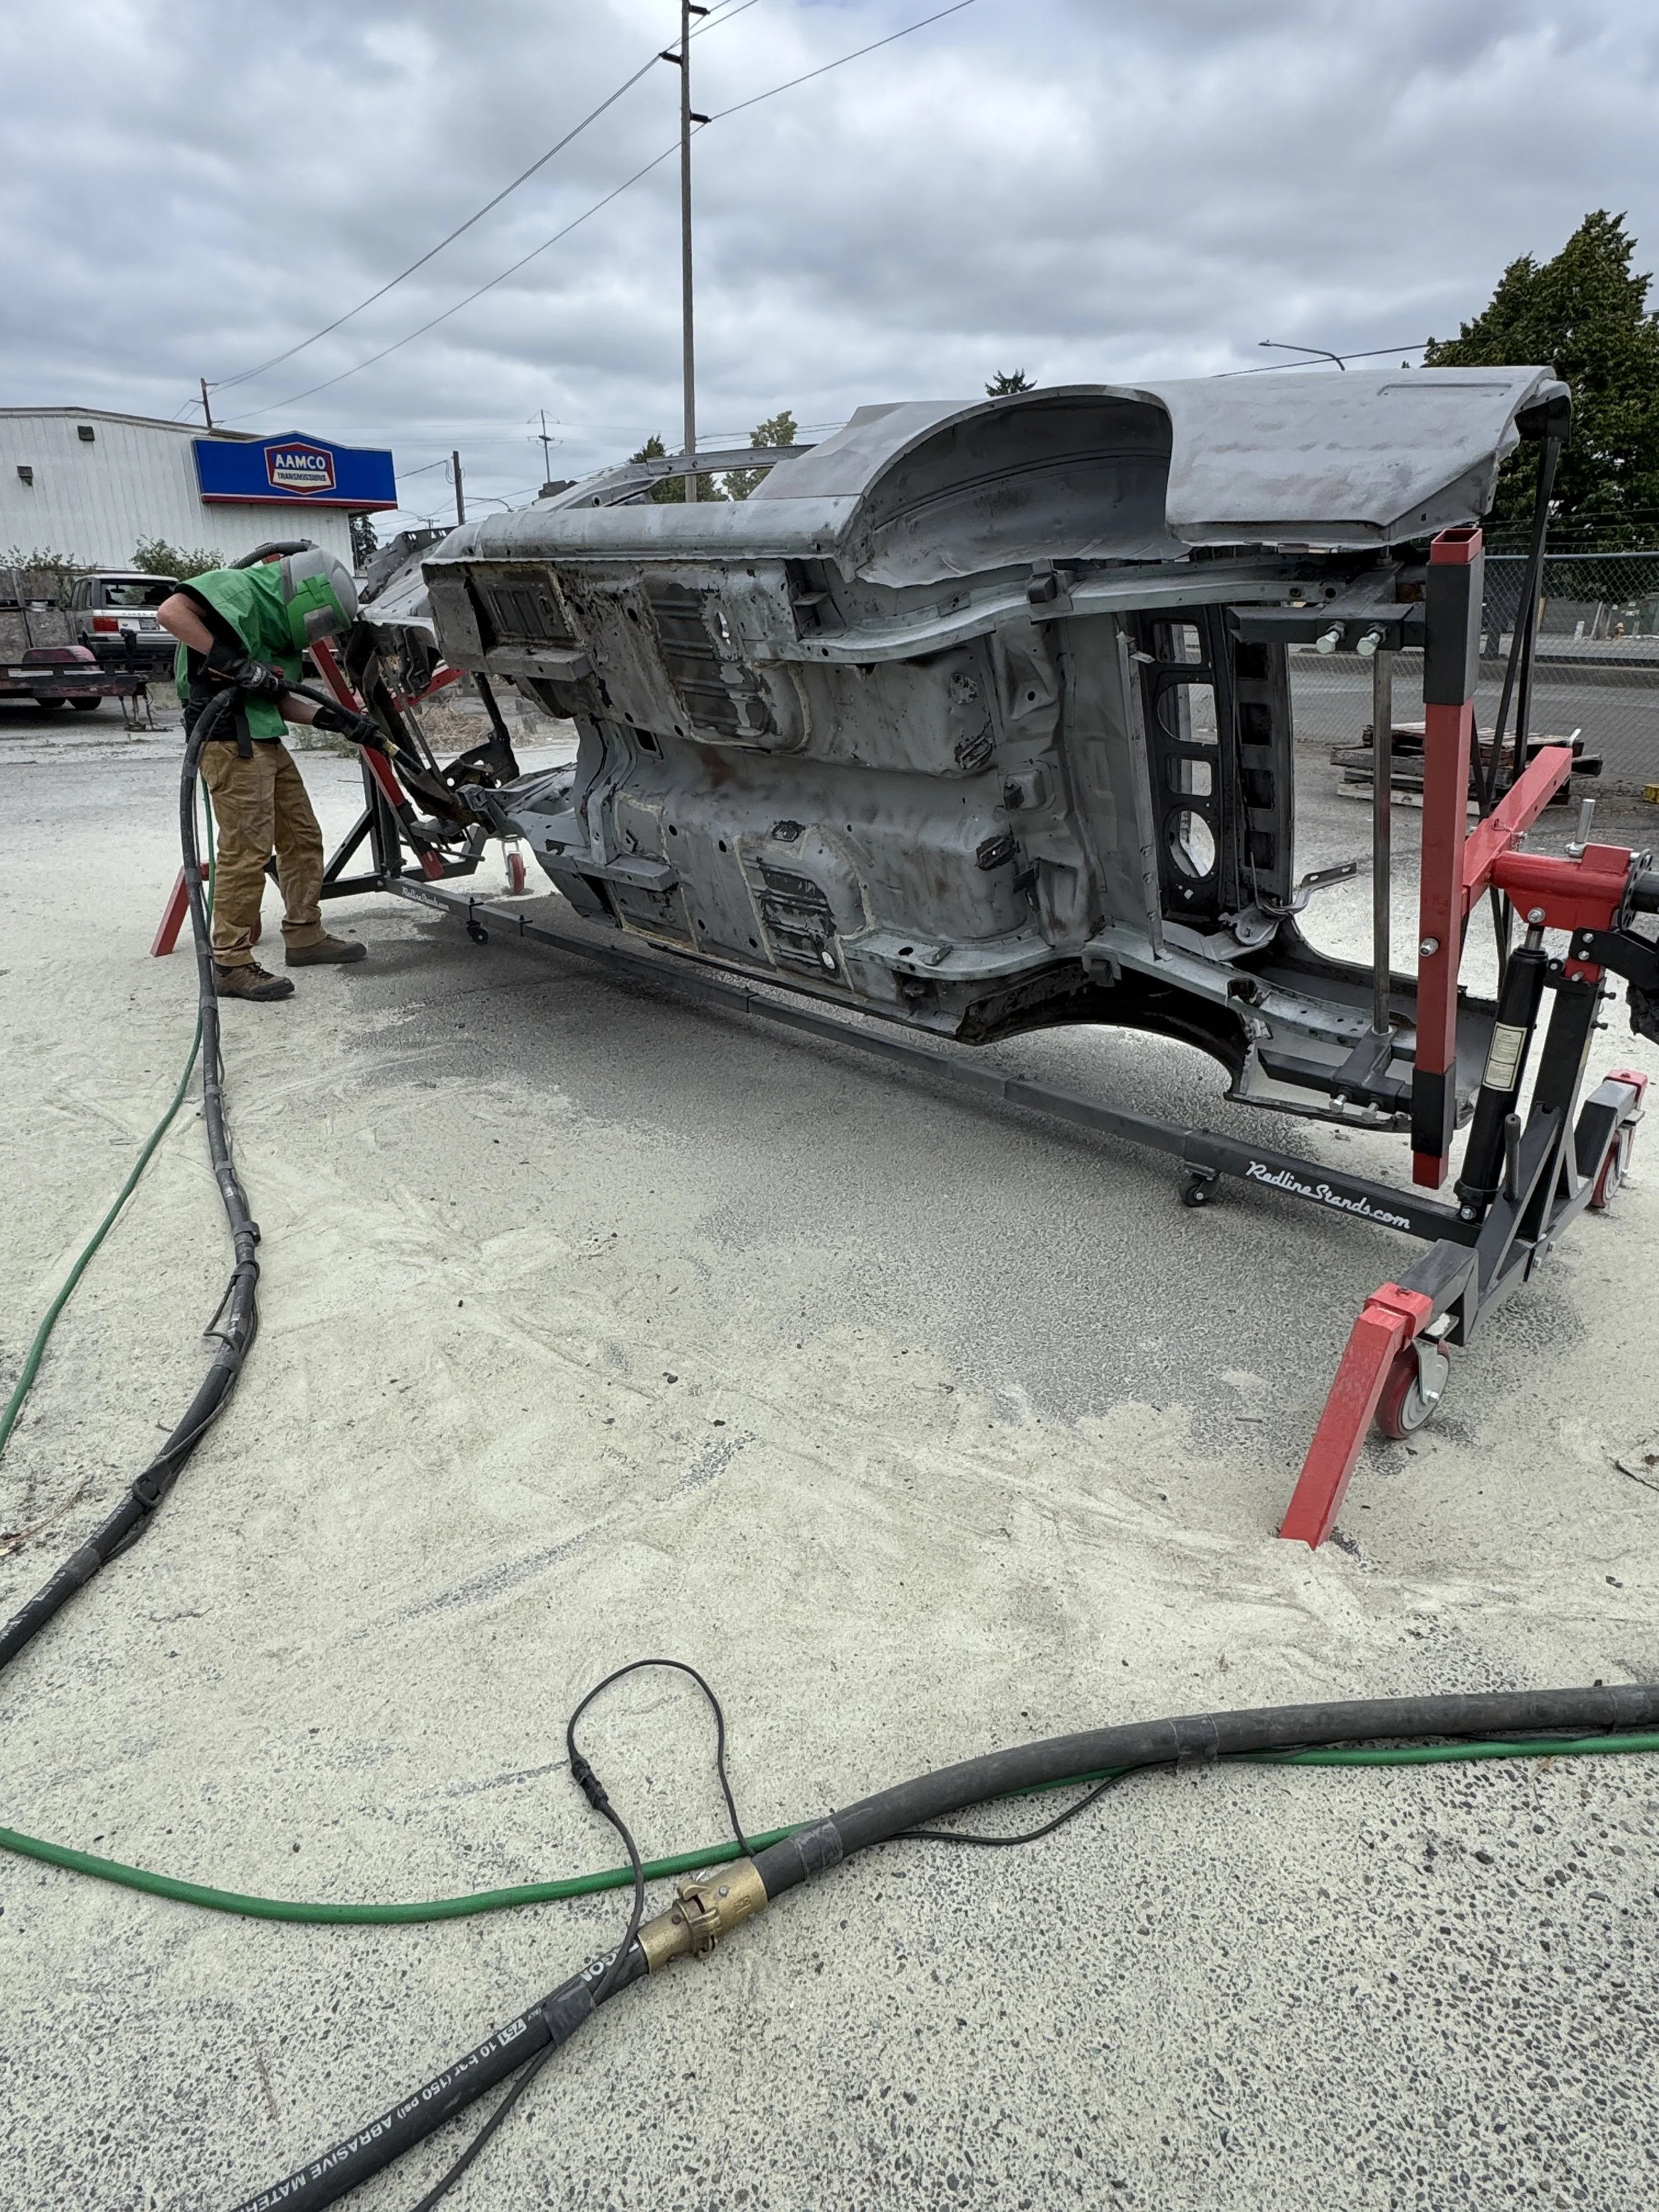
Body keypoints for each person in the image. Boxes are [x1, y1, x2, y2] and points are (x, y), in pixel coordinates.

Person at [157, 545, 378, 1003]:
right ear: (303, 595)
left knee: (301, 835)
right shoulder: (238, 587)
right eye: (319, 619)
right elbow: (172, 611)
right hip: (226, 738)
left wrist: (335, 720)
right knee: (246, 849)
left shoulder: (279, 635)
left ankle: (304, 934)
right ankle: (231, 962)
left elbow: (279, 694)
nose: (317, 630)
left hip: (262, 735)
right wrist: (235, 664)